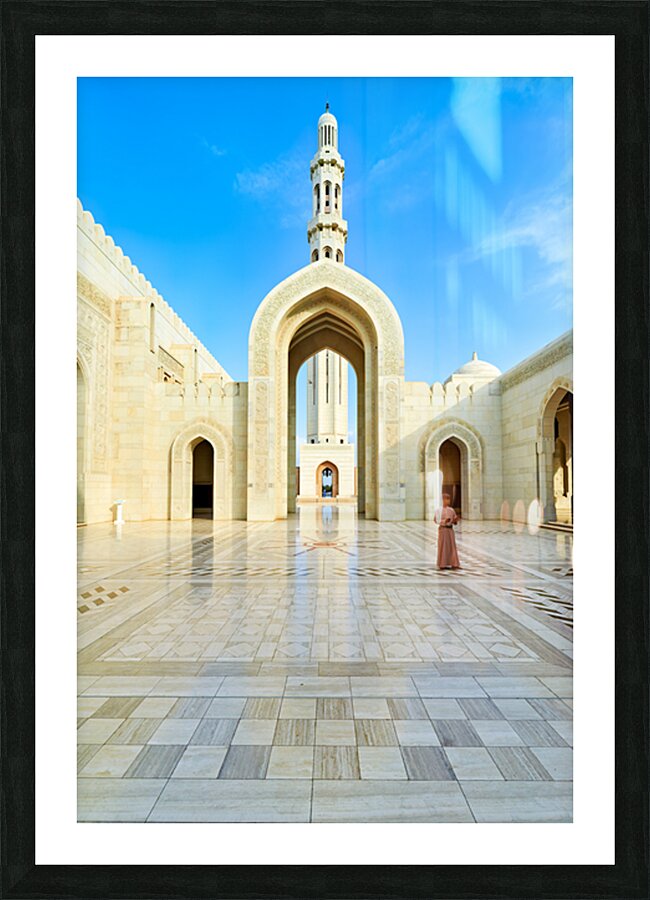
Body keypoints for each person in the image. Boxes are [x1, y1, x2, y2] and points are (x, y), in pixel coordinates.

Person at [434, 493, 460, 570]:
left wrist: (455, 520)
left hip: (450, 530)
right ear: (443, 500)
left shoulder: (451, 510)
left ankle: (454, 563)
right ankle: (442, 563)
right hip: (443, 530)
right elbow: (436, 520)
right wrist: (444, 521)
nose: (448, 501)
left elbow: (454, 520)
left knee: (451, 546)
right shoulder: (439, 510)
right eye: (446, 499)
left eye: (449, 499)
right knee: (443, 546)